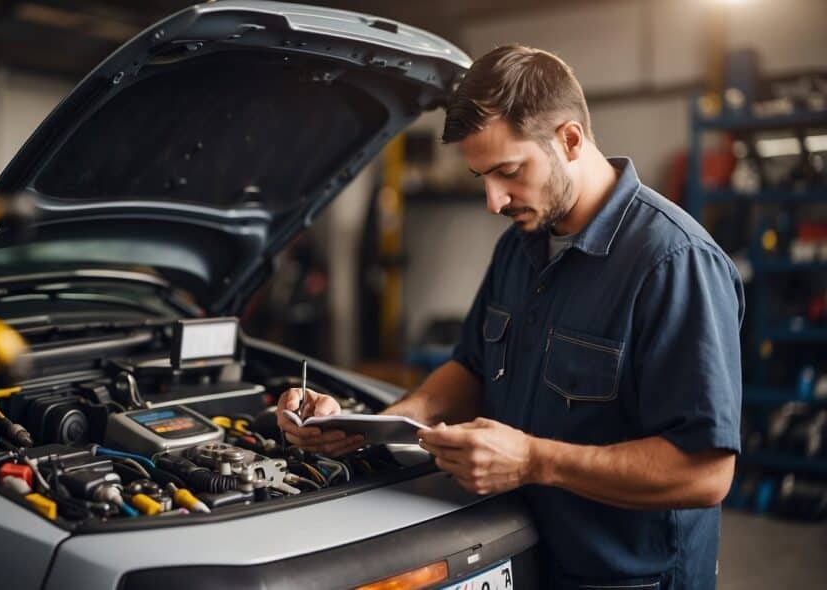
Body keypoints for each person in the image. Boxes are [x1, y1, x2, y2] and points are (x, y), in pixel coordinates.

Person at [276, 44, 744, 589]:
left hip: (625, 578)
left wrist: (532, 461)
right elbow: (471, 368)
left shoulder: (675, 263)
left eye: (509, 171)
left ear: (570, 140)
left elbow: (705, 473)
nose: (494, 202)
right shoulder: (521, 248)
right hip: (525, 552)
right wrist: (371, 428)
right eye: (482, 178)